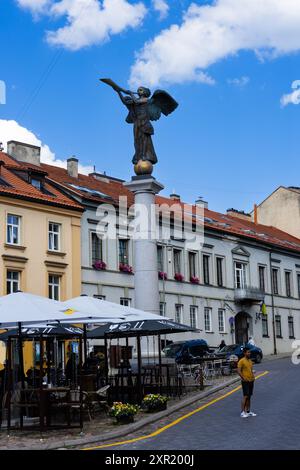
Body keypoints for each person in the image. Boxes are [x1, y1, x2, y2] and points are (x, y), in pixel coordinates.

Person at [237, 347, 257, 418]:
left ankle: (248, 411)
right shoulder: (241, 361)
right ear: (244, 353)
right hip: (245, 381)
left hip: (251, 380)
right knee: (245, 396)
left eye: (250, 352)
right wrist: (243, 378)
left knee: (249, 397)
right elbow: (238, 371)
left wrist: (253, 376)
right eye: (248, 352)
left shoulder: (250, 361)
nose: (249, 353)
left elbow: (250, 370)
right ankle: (242, 412)